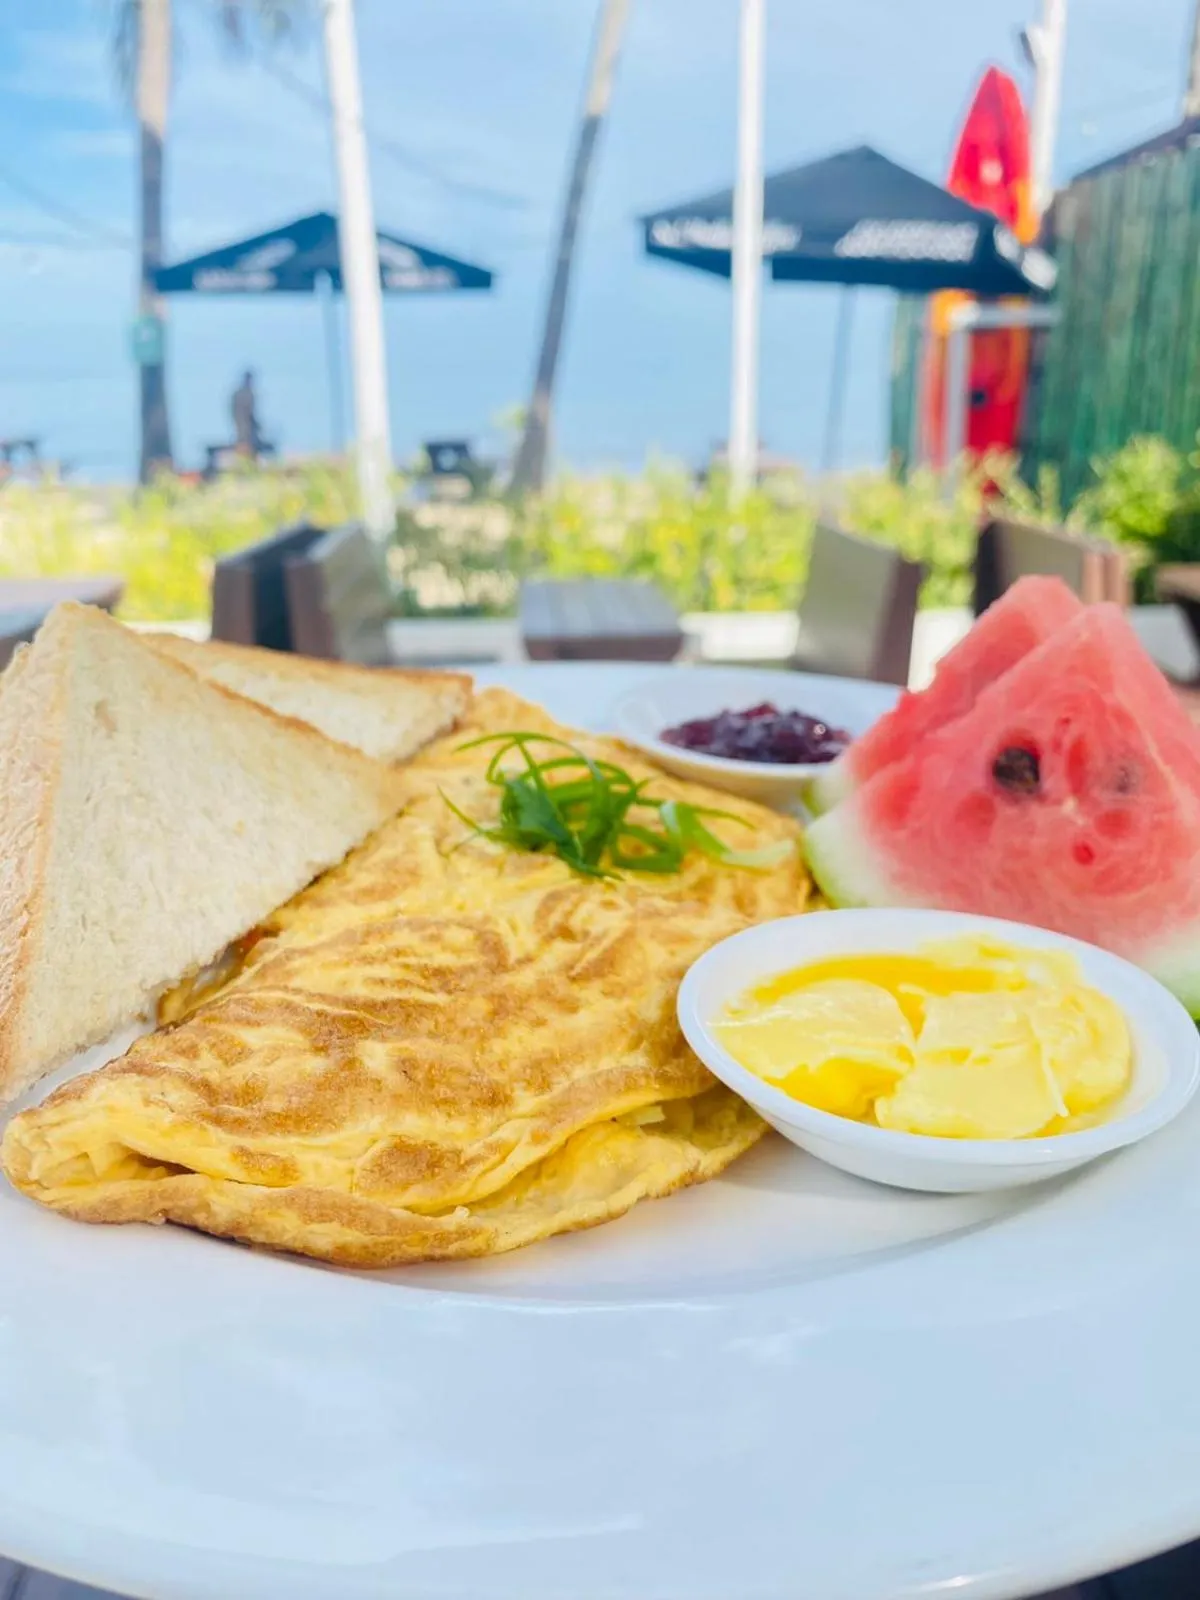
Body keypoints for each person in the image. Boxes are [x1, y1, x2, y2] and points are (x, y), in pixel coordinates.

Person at [231, 370, 262, 458]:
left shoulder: (237, 394)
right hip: (245, 429)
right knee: (245, 444)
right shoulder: (248, 394)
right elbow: (250, 413)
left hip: (241, 428)